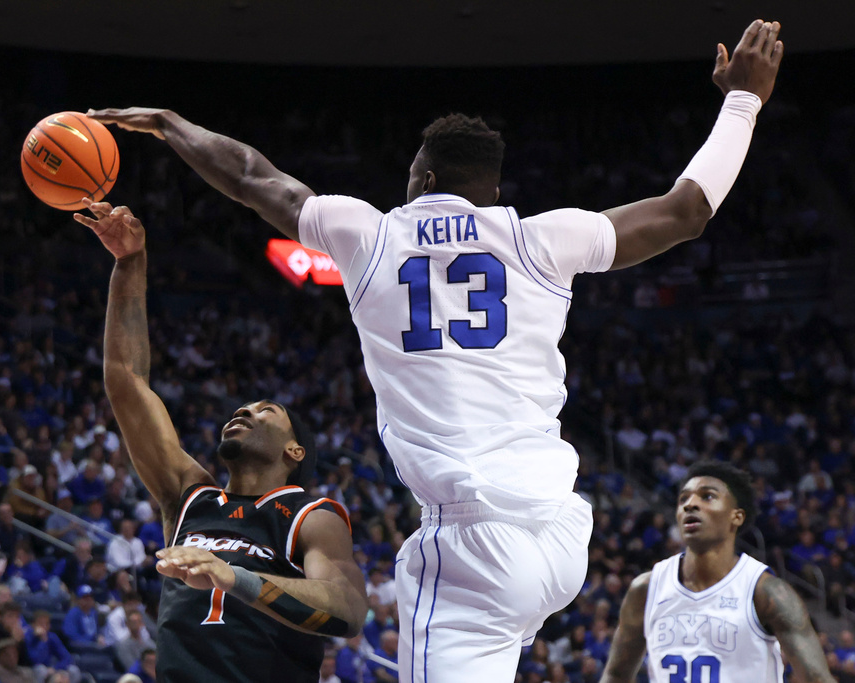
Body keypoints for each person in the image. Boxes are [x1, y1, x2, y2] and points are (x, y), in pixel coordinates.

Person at [89, 18, 784, 682]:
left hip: (473, 543)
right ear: (494, 191)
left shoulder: (371, 233)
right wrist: (744, 101)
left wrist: (169, 123)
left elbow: (250, 176)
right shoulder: (542, 237)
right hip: (562, 533)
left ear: (417, 174)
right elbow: (685, 210)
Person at [72, 201, 367, 682]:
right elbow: (126, 380)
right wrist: (129, 263)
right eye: (242, 408)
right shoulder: (191, 496)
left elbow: (349, 611)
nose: (244, 410)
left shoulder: (310, 517)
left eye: (265, 411)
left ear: (296, 452)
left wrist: (236, 577)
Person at [599, 461, 834, 683]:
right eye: (683, 499)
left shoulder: (766, 592)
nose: (690, 504)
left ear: (736, 516)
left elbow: (818, 679)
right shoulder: (647, 589)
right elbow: (616, 676)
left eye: (707, 496)